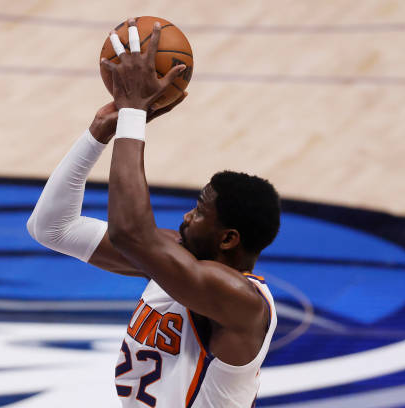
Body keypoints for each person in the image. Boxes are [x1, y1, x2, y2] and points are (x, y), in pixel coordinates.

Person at [27, 18, 280, 408]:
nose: (184, 218)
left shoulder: (240, 301)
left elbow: (131, 233)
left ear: (228, 238)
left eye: (199, 212)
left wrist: (133, 113)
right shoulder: (174, 259)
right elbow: (52, 228)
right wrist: (98, 132)